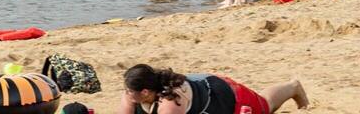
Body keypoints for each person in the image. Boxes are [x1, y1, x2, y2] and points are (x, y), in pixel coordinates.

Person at [118, 64, 307, 114]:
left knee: (265, 106)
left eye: (128, 91)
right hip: (195, 85)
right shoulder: (132, 94)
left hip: (219, 94)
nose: (125, 94)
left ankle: (293, 86)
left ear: (145, 92)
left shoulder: (169, 105)